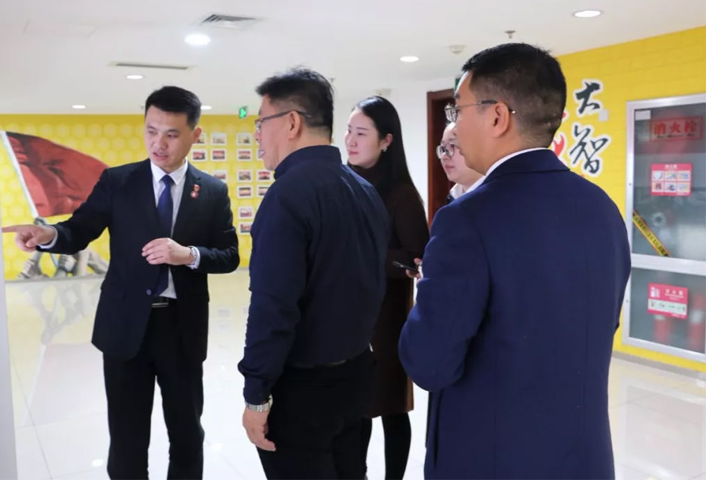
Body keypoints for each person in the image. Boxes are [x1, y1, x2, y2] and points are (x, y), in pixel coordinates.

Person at [399, 43, 631, 479]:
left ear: (497, 117)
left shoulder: (466, 219)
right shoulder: (602, 207)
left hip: (491, 459)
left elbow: (429, 363)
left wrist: (427, 293)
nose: (454, 125)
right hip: (584, 459)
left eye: (458, 110)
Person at [3, 86, 240, 479]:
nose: (158, 144)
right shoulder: (118, 181)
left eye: (171, 134)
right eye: (151, 131)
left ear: (195, 135)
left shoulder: (212, 192)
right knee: (127, 438)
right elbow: (79, 230)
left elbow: (230, 255)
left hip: (182, 328)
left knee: (186, 434)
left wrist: (189, 255)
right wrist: (49, 236)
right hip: (125, 326)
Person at [238, 68, 389, 480]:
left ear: (291, 123)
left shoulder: (286, 197)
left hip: (302, 392)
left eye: (261, 123)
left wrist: (256, 395)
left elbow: (273, 309)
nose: (257, 135)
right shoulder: (364, 190)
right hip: (356, 377)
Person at [345, 96, 429, 480]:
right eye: (349, 131)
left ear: (386, 140)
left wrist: (361, 254)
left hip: (387, 322)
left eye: (361, 133)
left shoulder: (402, 194)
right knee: (355, 409)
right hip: (345, 318)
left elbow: (415, 259)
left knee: (391, 409)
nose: (351, 140)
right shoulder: (342, 183)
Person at [438, 122, 483, 203]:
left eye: (452, 145)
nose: (444, 156)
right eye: (443, 148)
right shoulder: (453, 197)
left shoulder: (499, 197)